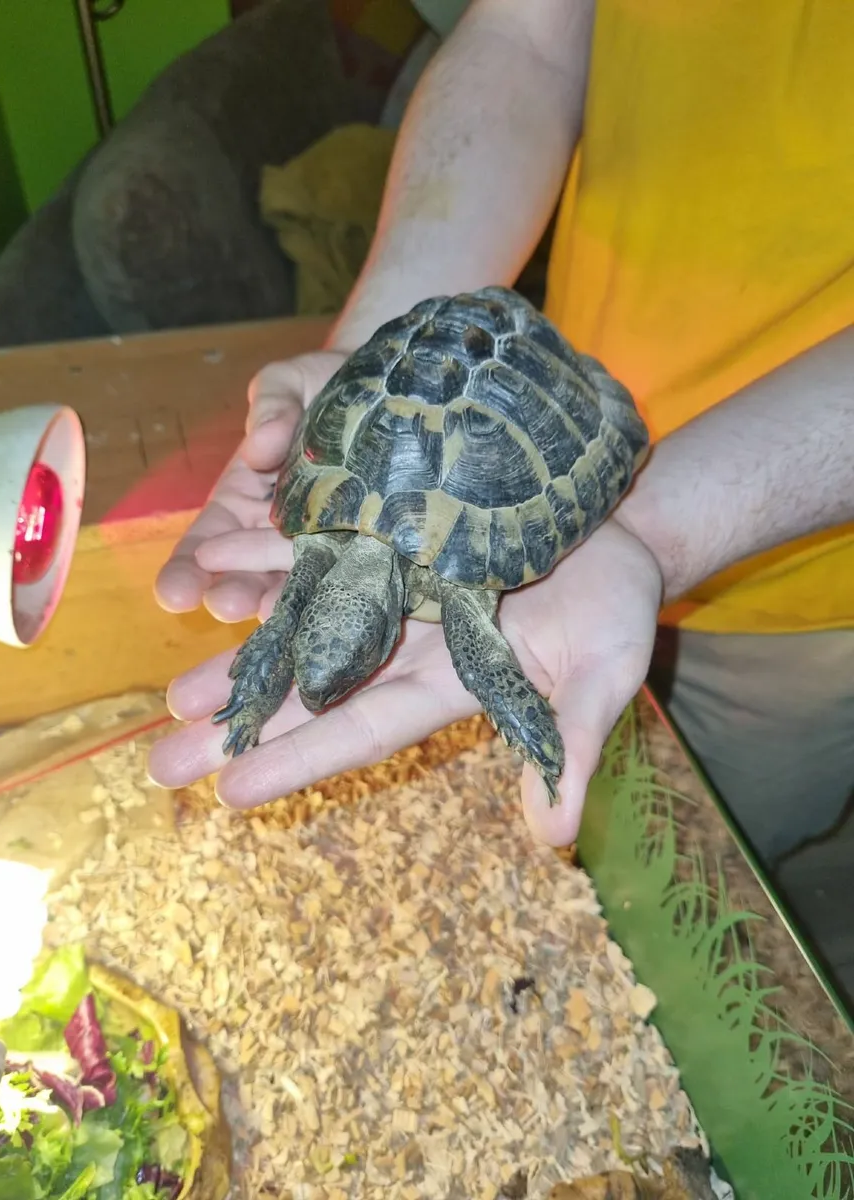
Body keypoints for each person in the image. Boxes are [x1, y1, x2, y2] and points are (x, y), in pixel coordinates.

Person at [147, 0, 854, 869]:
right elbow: (527, 37)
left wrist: (659, 533)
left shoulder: (452, 599)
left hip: (815, 593)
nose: (334, 677)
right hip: (541, 376)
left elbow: (485, 660)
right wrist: (356, 349)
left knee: (712, 850)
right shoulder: (325, 561)